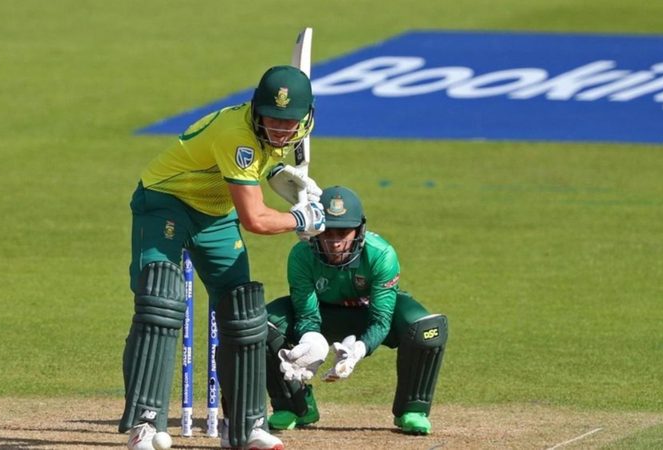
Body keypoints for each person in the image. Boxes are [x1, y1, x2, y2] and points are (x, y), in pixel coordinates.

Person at [119, 65, 326, 450]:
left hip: (215, 212)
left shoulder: (276, 135)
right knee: (159, 301)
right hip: (166, 200)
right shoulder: (238, 136)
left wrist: (285, 177)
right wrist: (301, 218)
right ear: (256, 111)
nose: (280, 130)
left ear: (306, 117)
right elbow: (256, 219)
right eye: (272, 119)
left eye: (288, 122)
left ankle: (245, 425)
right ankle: (145, 424)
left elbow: (261, 165)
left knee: (242, 311)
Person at [265, 185, 449, 436]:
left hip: (368, 315)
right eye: (327, 232)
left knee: (428, 330)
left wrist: (358, 351)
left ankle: (412, 410)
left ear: (359, 230)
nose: (335, 242)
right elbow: (307, 315)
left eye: (343, 232)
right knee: (264, 325)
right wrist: (312, 341)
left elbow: (381, 319)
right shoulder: (301, 255)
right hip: (323, 314)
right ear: (315, 229)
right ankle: (295, 406)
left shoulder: (381, 254)